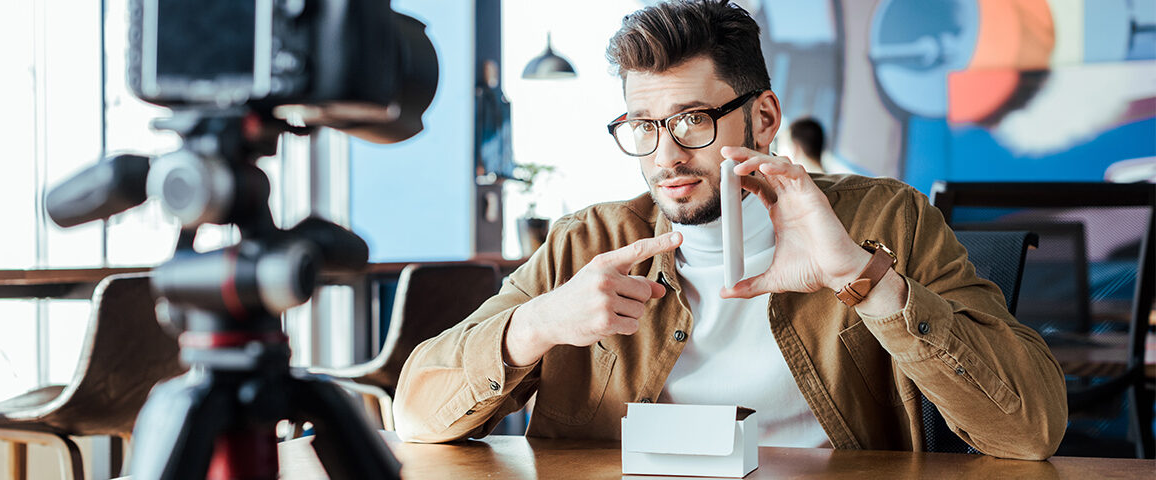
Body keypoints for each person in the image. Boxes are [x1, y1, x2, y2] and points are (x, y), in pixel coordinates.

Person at [394, 0, 1066, 460]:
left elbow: (1030, 431)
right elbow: (416, 415)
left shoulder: (887, 219)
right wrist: (537, 324)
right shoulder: (586, 243)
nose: (665, 156)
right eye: (643, 126)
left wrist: (865, 279)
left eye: (693, 120)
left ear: (764, 117)